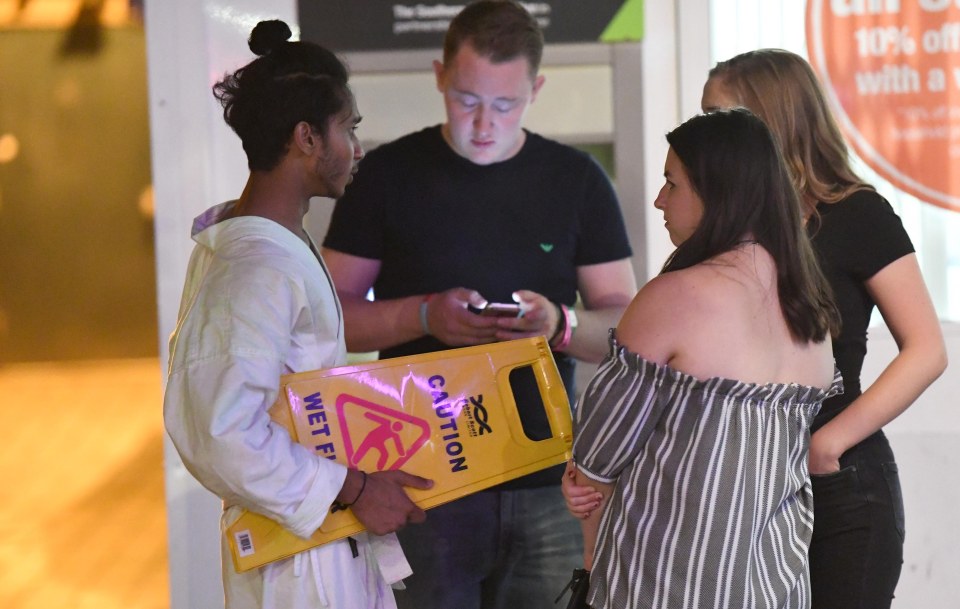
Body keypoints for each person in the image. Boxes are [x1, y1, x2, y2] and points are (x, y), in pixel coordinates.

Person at [321, 1, 637, 607]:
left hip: (548, 477)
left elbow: (624, 327)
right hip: (419, 477)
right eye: (467, 100)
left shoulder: (577, 180)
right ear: (440, 76)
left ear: (536, 89)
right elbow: (328, 318)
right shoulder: (385, 175)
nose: (483, 124)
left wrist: (560, 324)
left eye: (505, 104)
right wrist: (423, 316)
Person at [162, 20, 433, 609]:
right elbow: (221, 433)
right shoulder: (255, 266)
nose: (357, 148)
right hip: (299, 565)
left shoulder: (276, 247)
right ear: (307, 138)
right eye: (349, 129)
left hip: (321, 539)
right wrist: (352, 487)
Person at [699, 49, 948, 609]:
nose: (701, 133)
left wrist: (828, 444)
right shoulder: (723, 225)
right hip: (748, 485)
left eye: (716, 115)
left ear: (769, 119)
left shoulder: (855, 213)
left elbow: (927, 350)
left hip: (839, 483)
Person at [569, 108, 843, 609]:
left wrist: (581, 490)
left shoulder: (674, 297)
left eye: (672, 184)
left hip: (664, 583)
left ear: (719, 194)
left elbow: (597, 457)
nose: (659, 200)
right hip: (775, 585)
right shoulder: (812, 315)